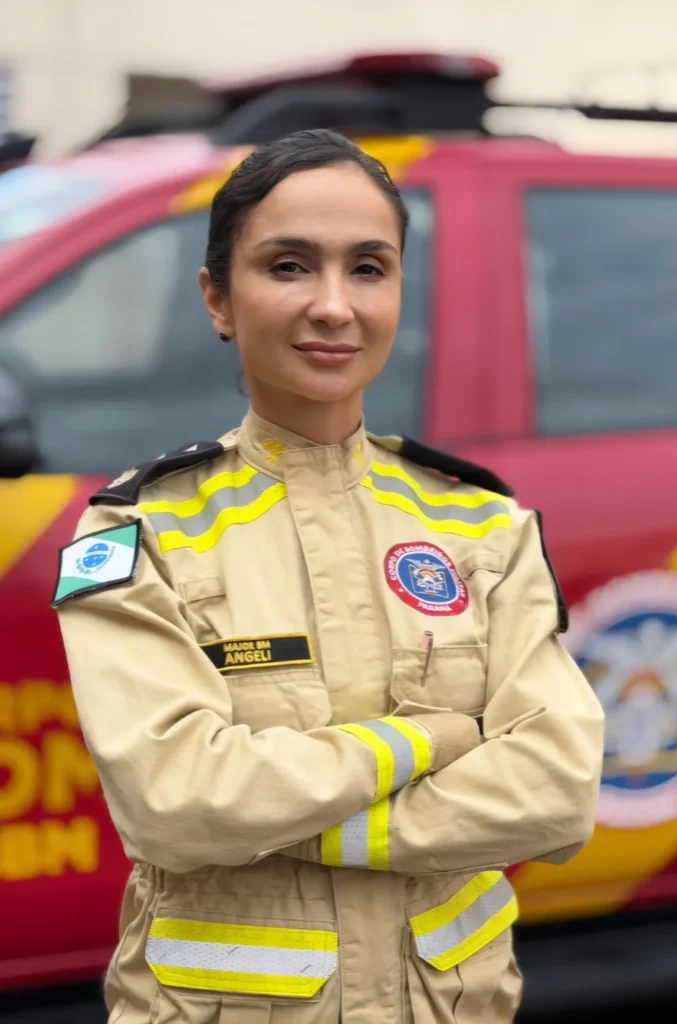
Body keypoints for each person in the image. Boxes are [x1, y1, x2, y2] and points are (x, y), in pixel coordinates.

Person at [54, 129, 604, 1024]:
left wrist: (277, 818)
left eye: (368, 268)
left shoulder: (480, 523)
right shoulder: (140, 529)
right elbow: (176, 803)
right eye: (287, 266)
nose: (332, 306)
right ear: (217, 299)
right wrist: (432, 743)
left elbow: (556, 793)